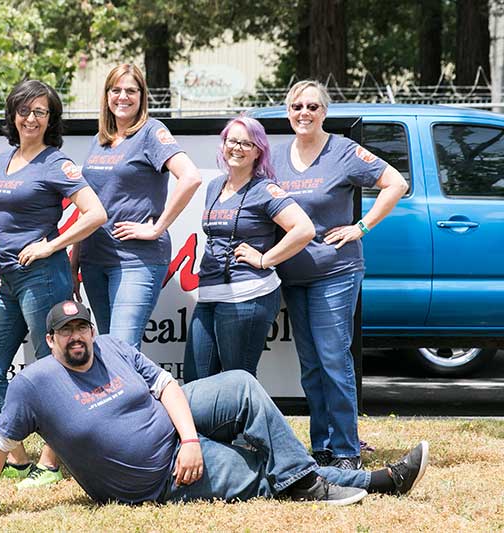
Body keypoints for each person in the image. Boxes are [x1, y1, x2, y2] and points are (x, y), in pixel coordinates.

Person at [0, 300, 429, 522]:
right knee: (260, 471)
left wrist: (192, 439)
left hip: (179, 432)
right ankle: (382, 481)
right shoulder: (33, 383)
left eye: (81, 327)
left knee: (240, 384)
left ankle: (303, 481)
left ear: (91, 329)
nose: (76, 337)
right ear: (49, 341)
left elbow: (168, 385)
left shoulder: (112, 346)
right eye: (64, 332)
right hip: (158, 477)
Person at [0, 80, 107, 489]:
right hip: (8, 278)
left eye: (41, 112)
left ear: (51, 120)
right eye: (24, 110)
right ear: (12, 114)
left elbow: (95, 213)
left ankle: (52, 462)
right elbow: (0, 221)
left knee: (52, 367)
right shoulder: (5, 158)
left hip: (42, 276)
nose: (31, 118)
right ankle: (16, 454)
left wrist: (51, 244)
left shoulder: (56, 163)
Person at [270, 80, 409, 469]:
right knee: (311, 364)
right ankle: (322, 447)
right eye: (297, 106)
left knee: (334, 358)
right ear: (288, 111)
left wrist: (359, 227)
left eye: (313, 106)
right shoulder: (276, 158)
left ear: (324, 112)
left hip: (336, 271)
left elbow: (395, 183)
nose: (304, 113)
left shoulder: (343, 151)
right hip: (294, 274)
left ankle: (347, 450)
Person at [73, 63, 202, 349]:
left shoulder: (151, 132)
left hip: (135, 260)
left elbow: (191, 177)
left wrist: (157, 228)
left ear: (142, 96)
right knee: (106, 349)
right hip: (94, 261)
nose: (123, 97)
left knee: (122, 348)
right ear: (106, 96)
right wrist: (74, 263)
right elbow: (89, 207)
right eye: (116, 90)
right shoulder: (100, 140)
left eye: (131, 91)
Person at [183, 116, 314, 382]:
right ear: (223, 145)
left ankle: (246, 426)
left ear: (258, 152)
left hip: (247, 295)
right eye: (232, 141)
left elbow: (304, 229)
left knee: (237, 381)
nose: (238, 148)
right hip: (209, 294)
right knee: (196, 379)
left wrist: (265, 259)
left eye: (247, 143)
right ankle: (204, 427)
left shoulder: (264, 189)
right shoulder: (214, 187)